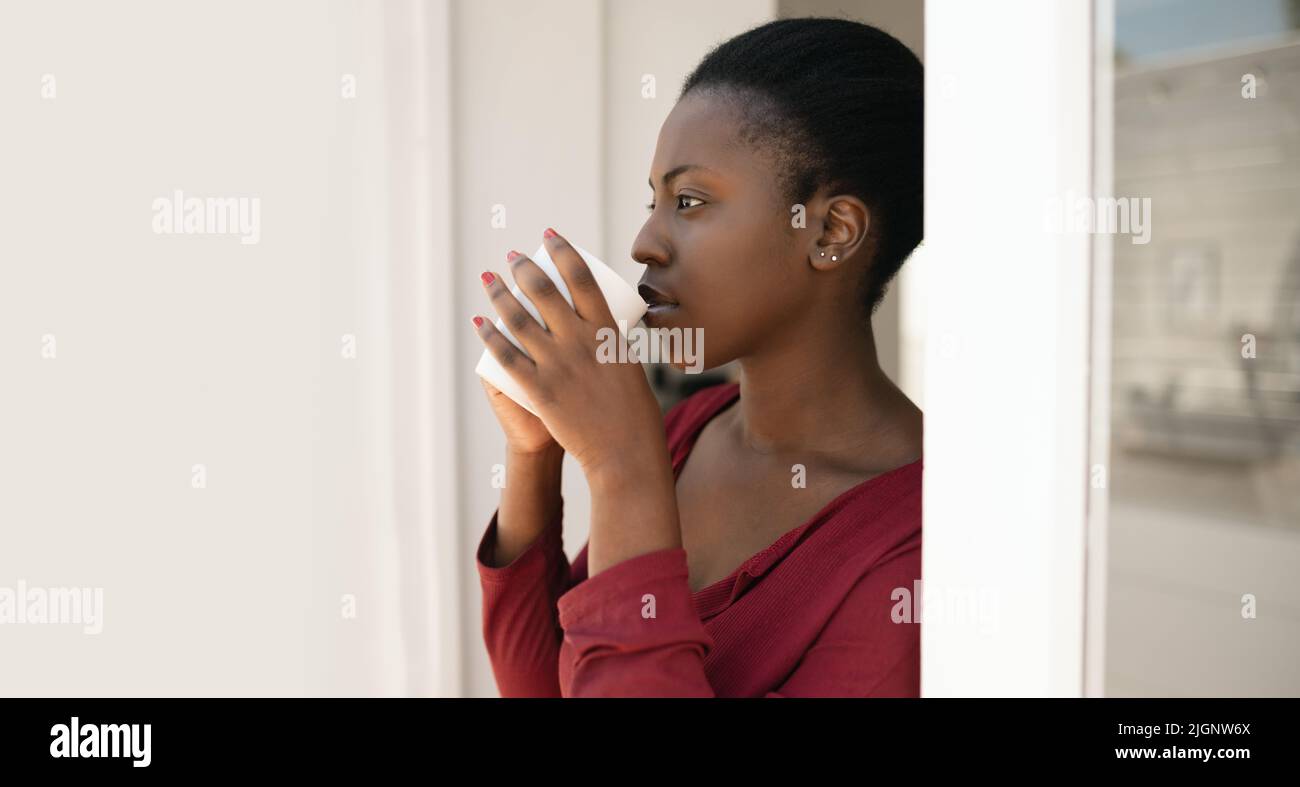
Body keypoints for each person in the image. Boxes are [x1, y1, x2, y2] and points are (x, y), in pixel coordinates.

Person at [469, 17, 924, 697]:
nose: (645, 241)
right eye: (653, 201)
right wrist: (535, 455)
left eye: (689, 200)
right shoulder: (688, 433)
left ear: (830, 230)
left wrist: (623, 471)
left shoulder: (915, 549)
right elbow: (541, 684)